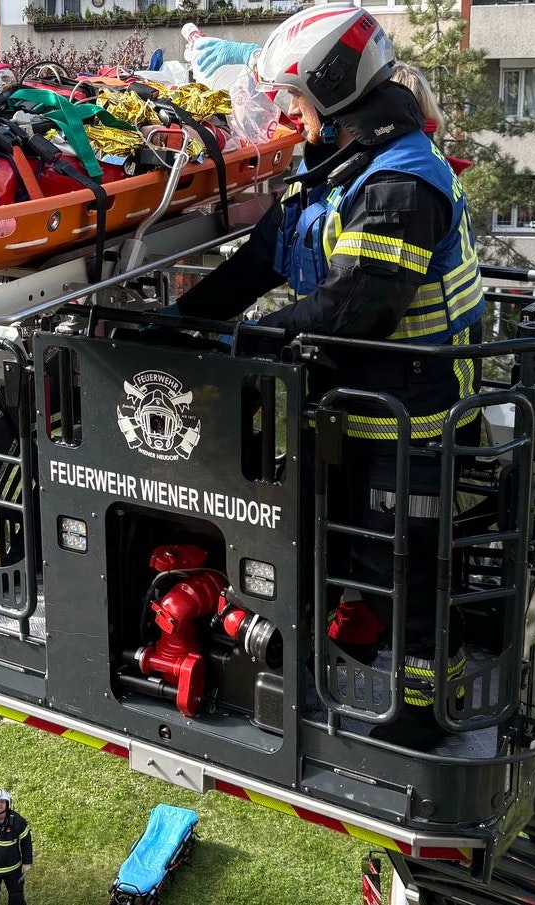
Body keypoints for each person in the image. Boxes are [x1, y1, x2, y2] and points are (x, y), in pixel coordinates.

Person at [173, 4, 484, 748]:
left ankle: (420, 712)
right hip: (353, 408)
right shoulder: (337, 169)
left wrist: (251, 341)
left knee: (408, 571)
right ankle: (329, 659)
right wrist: (179, 326)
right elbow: (257, 262)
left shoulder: (403, 185)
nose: (288, 113)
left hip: (415, 423)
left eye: (296, 99)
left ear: (335, 92)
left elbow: (355, 306)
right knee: (326, 546)